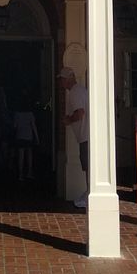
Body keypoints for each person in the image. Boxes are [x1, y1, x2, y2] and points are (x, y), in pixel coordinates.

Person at [58, 66, 88, 210]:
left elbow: (80, 113)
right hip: (86, 135)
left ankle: (89, 196)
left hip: (85, 136)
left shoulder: (74, 93)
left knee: (88, 167)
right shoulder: (81, 90)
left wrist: (68, 120)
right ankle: (89, 193)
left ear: (68, 79)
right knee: (88, 167)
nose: (61, 82)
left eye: (63, 79)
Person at [12, 92, 39, 182]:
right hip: (29, 137)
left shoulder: (17, 114)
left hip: (19, 136)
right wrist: (37, 138)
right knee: (29, 155)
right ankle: (29, 172)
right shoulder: (30, 114)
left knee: (21, 156)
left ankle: (20, 174)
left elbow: (15, 126)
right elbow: (34, 127)